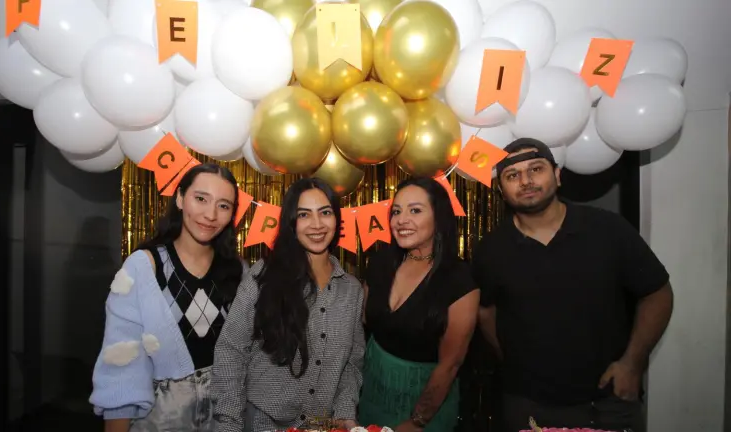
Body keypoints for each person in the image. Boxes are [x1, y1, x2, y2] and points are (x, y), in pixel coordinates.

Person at [472, 138, 674, 432]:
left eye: (536, 169)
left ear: (557, 175)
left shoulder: (607, 229)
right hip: (527, 405)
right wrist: (514, 363)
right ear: (501, 189)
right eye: (512, 175)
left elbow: (657, 293)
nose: (526, 181)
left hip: (608, 402)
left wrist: (632, 363)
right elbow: (485, 313)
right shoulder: (491, 250)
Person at [90, 164, 246, 432]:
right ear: (180, 198)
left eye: (223, 206)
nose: (210, 214)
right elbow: (122, 361)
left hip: (225, 416)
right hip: (160, 418)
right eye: (201, 199)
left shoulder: (239, 271)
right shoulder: (144, 267)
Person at [211, 178, 364, 432]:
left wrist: (346, 412)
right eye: (304, 215)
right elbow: (231, 350)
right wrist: (228, 423)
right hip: (262, 424)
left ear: (336, 219)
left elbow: (351, 363)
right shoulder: (264, 275)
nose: (316, 224)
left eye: (325, 213)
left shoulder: (351, 289)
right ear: (292, 223)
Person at [359, 177, 480, 432]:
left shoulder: (459, 279)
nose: (401, 220)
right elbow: (365, 324)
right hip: (371, 396)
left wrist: (417, 422)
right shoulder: (381, 262)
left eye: (415, 210)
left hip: (425, 407)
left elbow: (451, 364)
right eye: (396, 211)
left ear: (439, 217)